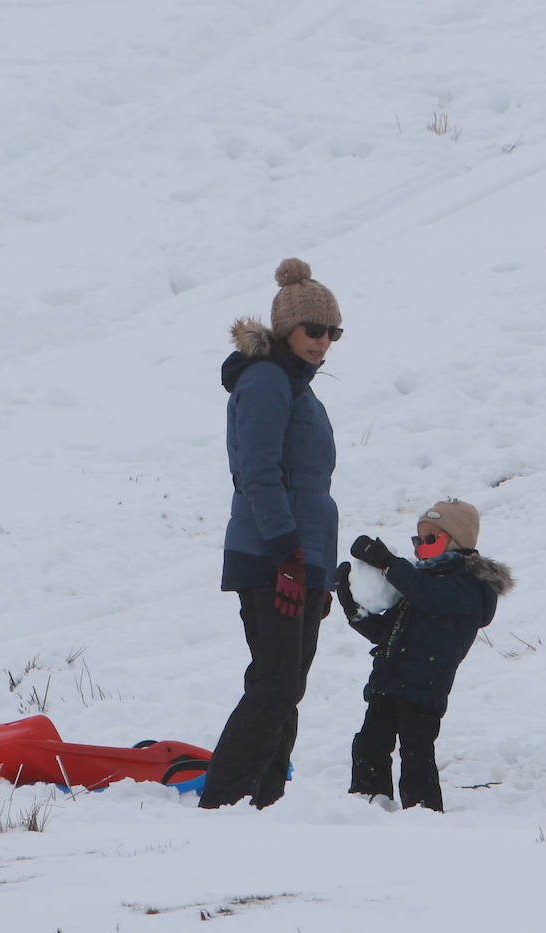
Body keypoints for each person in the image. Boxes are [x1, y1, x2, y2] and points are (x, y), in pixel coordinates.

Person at [199, 257, 344, 810]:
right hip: (270, 555)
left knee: (286, 686)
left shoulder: (295, 386)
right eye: (314, 330)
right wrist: (286, 554)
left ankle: (265, 802)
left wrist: (318, 573)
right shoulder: (265, 382)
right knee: (276, 685)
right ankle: (223, 801)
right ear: (287, 329)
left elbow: (312, 491)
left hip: (298, 556)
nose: (323, 342)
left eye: (332, 331)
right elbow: (257, 473)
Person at [336, 499, 513, 812]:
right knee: (369, 744)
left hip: (424, 688)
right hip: (390, 681)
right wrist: (354, 610)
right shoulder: (420, 582)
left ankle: (424, 815)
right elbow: (387, 632)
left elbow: (430, 597)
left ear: (457, 542)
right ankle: (367, 806)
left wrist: (389, 564)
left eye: (430, 540)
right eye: (417, 540)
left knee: (416, 753)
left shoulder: (469, 587)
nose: (419, 548)